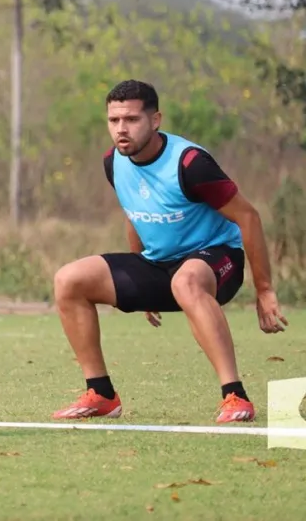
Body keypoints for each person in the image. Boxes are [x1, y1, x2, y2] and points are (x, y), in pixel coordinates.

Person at [51, 79, 288, 423]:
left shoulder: (190, 163)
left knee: (186, 281)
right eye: (114, 120)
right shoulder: (113, 162)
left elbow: (248, 218)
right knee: (68, 280)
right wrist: (139, 267)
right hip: (161, 264)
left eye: (131, 119)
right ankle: (102, 394)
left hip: (216, 259)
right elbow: (134, 213)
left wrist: (264, 289)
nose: (121, 129)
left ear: (156, 120)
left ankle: (235, 395)